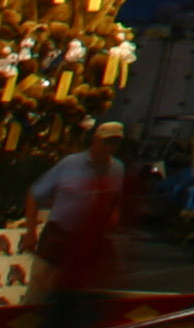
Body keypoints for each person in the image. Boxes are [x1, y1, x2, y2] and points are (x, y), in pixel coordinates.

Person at [23, 121, 126, 328]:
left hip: (88, 244)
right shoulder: (69, 164)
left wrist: (113, 218)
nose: (109, 148)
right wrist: (30, 232)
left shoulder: (117, 169)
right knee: (38, 293)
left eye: (114, 144)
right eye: (106, 142)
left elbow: (116, 200)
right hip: (58, 237)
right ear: (95, 140)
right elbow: (34, 194)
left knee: (75, 299)